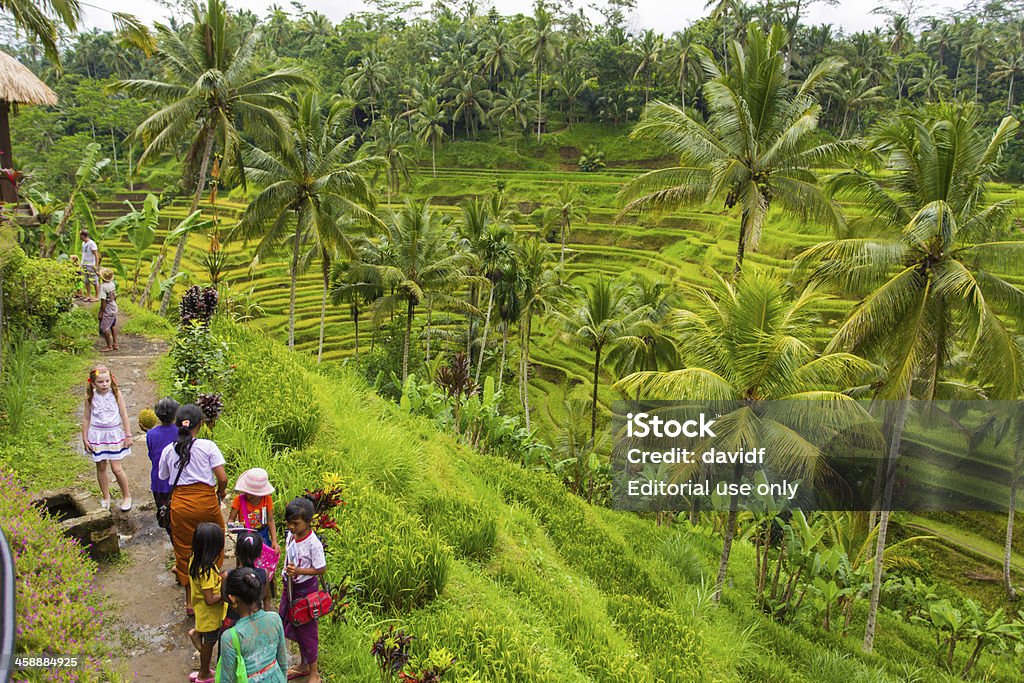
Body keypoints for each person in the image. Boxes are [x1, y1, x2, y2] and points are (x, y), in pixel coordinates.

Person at [158, 404, 227, 616]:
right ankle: (212, 588)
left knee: (184, 550)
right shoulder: (208, 446)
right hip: (206, 502)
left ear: (178, 425)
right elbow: (222, 478)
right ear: (201, 424)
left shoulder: (169, 450)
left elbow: (163, 477)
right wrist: (220, 494)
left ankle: (189, 602)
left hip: (181, 505)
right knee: (216, 541)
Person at [278, 496, 326, 683]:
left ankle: (314, 672)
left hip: (305, 591)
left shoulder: (313, 543)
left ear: (308, 522)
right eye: (289, 523)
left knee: (307, 629)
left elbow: (321, 568)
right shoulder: (291, 535)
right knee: (289, 622)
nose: (291, 527)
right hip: (289, 588)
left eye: (295, 523)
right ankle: (303, 665)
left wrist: (298, 571)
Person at [217, 567, 288, 683]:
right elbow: (283, 663)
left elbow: (227, 679)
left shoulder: (230, 637)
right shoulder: (275, 619)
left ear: (232, 598)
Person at [81, 365, 132, 511]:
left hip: (113, 434)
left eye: (107, 381)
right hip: (97, 436)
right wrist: (85, 438)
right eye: (100, 382)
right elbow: (86, 417)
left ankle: (126, 495)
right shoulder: (90, 397)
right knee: (101, 466)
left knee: (116, 468)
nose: (104, 385)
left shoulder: (116, 394)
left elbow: (124, 414)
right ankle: (106, 496)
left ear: (111, 380)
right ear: (93, 382)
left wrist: (128, 435)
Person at [188, 522, 227, 683]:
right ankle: (204, 673)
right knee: (210, 643)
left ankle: (197, 632)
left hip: (202, 611)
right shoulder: (207, 571)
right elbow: (210, 599)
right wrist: (224, 591)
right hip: (210, 614)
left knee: (208, 638)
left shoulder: (194, 560)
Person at [146, 397, 180, 539]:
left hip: (159, 481)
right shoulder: (181, 431)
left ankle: (173, 538)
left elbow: (151, 455)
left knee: (166, 515)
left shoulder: (150, 434)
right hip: (178, 481)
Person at [228, 468, 280, 554]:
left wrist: (274, 540)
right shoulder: (239, 500)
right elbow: (231, 520)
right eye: (247, 492)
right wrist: (233, 527)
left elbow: (270, 520)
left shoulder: (267, 500)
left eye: (253, 494)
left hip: (262, 533)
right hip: (244, 533)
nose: (249, 495)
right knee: (242, 554)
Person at [225, 531, 269, 624]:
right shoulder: (264, 573)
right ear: (260, 553)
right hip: (256, 620)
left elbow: (225, 598)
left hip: (233, 621)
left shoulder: (228, 576)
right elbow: (265, 597)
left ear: (236, 553)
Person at [97, 268, 120, 352]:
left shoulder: (103, 287)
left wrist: (101, 312)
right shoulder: (112, 284)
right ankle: (115, 343)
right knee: (113, 325)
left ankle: (109, 346)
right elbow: (115, 296)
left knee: (104, 328)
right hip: (114, 307)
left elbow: (103, 302)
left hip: (108, 309)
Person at [80, 229, 99, 302]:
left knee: (94, 281)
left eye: (80, 235)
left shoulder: (92, 243)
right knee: (86, 281)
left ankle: (97, 296)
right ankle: (88, 295)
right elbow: (83, 254)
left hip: (91, 265)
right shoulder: (83, 244)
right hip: (84, 264)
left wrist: (96, 266)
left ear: (83, 235)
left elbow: (96, 255)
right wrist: (81, 264)